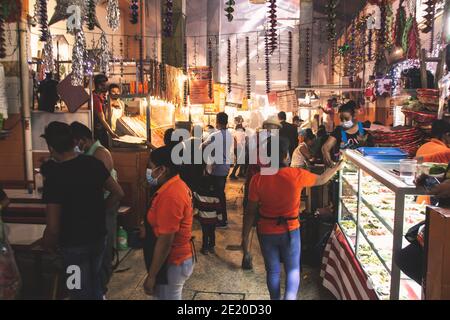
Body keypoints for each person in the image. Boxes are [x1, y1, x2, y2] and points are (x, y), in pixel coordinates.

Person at [242, 137, 343, 300]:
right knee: (292, 269)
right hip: (290, 230)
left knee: (273, 271)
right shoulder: (296, 174)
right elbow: (322, 178)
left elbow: (250, 212)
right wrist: (339, 166)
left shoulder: (258, 179)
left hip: (266, 231)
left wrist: (244, 239)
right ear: (286, 156)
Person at [38, 121, 124, 300]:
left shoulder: (54, 177)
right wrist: (101, 210)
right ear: (73, 142)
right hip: (98, 238)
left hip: (72, 245)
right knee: (96, 284)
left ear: (51, 148)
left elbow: (53, 227)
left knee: (77, 291)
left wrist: (47, 245)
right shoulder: (92, 163)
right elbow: (118, 192)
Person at [70, 121, 119, 298]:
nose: (74, 147)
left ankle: (101, 289)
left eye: (75, 142)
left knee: (103, 251)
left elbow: (104, 188)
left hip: (105, 208)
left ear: (82, 140)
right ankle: (94, 288)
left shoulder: (100, 154)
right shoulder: (90, 153)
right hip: (97, 211)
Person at [143, 146, 194, 300]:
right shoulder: (174, 185)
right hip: (175, 260)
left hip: (172, 262)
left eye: (150, 167)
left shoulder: (171, 195)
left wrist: (151, 276)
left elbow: (166, 240)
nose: (149, 171)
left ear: (162, 169)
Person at [202, 112, 233, 228]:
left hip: (216, 168)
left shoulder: (215, 135)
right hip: (225, 168)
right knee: (220, 194)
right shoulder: (229, 135)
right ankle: (222, 218)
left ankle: (217, 218)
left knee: (215, 194)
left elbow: (202, 146)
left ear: (217, 122)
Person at [322, 101, 374, 167]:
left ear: (354, 116)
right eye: (341, 119)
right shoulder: (338, 130)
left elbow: (372, 151)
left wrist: (364, 144)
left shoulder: (365, 128)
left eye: (346, 119)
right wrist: (329, 162)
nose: (344, 122)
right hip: (344, 168)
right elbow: (325, 147)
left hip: (363, 167)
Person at [193, 175, 221, 255]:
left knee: (205, 234)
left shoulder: (199, 195)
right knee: (212, 233)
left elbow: (193, 193)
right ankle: (211, 247)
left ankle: (205, 248)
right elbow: (218, 208)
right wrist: (219, 218)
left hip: (203, 218)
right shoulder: (216, 196)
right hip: (213, 218)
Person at [93, 74, 118, 149]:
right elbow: (102, 119)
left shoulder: (101, 95)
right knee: (102, 150)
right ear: (99, 86)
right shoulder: (95, 99)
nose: (107, 87)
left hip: (103, 129)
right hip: (98, 131)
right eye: (105, 85)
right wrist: (112, 133)